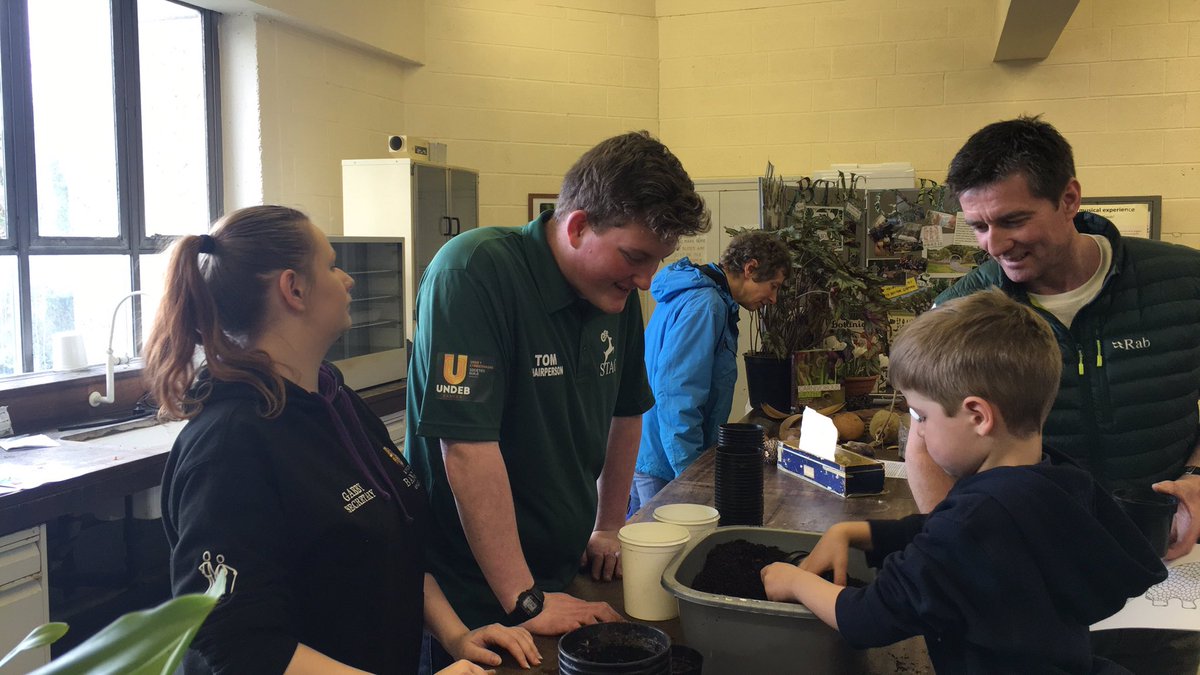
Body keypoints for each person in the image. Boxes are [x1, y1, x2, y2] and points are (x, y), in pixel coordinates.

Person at [145, 206, 539, 674]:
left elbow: (394, 548)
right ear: (293, 289)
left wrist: (458, 637)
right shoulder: (228, 446)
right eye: (331, 265)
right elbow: (241, 646)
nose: (347, 279)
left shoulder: (334, 400)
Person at [406, 131, 709, 650]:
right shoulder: (474, 272)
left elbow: (627, 413)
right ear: (577, 226)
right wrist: (523, 598)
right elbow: (466, 449)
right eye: (634, 256)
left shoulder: (616, 299)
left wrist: (609, 527)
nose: (645, 280)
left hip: (558, 575)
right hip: (475, 599)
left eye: (657, 260)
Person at [761, 289, 1168, 673]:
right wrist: (858, 532)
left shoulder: (978, 519)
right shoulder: (1055, 482)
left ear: (978, 416)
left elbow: (869, 618)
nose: (916, 431)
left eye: (921, 415)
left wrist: (794, 581)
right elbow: (954, 536)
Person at [930, 116, 1200, 673]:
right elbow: (925, 440)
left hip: (1168, 574)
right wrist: (953, 557)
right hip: (1033, 581)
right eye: (978, 226)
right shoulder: (962, 312)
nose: (994, 244)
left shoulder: (1184, 283)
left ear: (1069, 197)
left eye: (1013, 220)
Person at [627, 230, 789, 516]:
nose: (773, 298)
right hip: (665, 462)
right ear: (750, 268)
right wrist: (691, 477)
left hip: (649, 451)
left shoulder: (706, 298)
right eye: (773, 286)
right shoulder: (706, 305)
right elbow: (677, 397)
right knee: (670, 556)